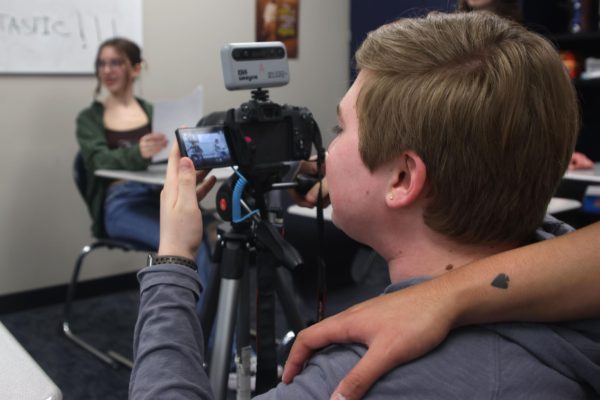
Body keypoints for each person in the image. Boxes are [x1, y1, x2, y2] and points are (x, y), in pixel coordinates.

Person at [130, 12, 600, 399]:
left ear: (401, 178)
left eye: (339, 132)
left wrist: (173, 257)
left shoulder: (354, 381)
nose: (326, 154)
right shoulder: (572, 284)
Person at [75, 37, 213, 292]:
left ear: (136, 68)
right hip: (121, 204)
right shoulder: (90, 118)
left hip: (159, 196)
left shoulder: (154, 112)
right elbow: (97, 160)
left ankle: (218, 327)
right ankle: (202, 328)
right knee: (193, 243)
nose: (106, 70)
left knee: (216, 237)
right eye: (101, 64)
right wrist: (138, 153)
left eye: (115, 62)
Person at [457, 0, 595, 171]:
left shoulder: (530, 45)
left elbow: (538, 113)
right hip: (463, 158)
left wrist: (560, 155)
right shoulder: (448, 42)